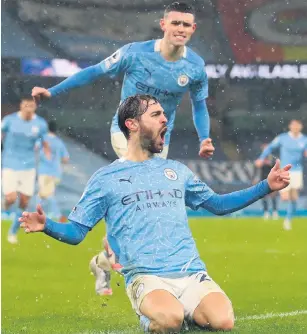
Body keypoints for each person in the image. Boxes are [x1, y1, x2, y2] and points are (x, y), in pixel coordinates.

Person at [19, 94, 291, 333]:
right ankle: (154, 318)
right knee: (169, 319)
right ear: (132, 124)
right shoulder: (105, 178)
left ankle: (180, 311)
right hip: (145, 275)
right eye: (157, 114)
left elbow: (218, 205)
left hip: (191, 272)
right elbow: (76, 232)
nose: (165, 120)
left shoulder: (177, 171)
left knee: (223, 322)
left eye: (165, 115)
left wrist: (266, 186)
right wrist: (48, 225)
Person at [31, 1, 215, 295]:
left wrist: (204, 137)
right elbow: (93, 72)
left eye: (186, 25)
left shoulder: (194, 67)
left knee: (144, 198)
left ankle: (104, 260)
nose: (180, 29)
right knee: (136, 182)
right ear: (163, 25)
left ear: (193, 29)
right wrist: (53, 91)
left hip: (159, 141)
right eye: (175, 23)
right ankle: (114, 251)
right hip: (126, 133)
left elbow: (199, 106)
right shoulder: (134, 53)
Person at [1, 97, 48, 244]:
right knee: (10, 197)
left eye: (31, 106)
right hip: (10, 163)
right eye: (26, 105)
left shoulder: (40, 124)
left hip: (28, 166)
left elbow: (44, 142)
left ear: (35, 107)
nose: (28, 108)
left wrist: (45, 153)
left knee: (24, 202)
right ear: (21, 106)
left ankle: (13, 231)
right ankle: (5, 205)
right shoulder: (9, 120)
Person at [256, 119, 307, 230]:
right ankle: (282, 195)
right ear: (290, 126)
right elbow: (269, 147)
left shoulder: (304, 140)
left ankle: (288, 220)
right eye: (293, 125)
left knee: (294, 198)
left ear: (301, 127)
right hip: (284, 170)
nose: (295, 127)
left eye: (297, 125)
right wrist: (261, 158)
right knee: (285, 197)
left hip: (297, 171)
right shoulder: (283, 138)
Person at [37, 120, 70, 221]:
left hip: (44, 171)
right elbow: (66, 158)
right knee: (44, 195)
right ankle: (39, 214)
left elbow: (35, 149)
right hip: (56, 172)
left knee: (45, 195)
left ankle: (57, 215)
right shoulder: (59, 142)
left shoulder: (42, 140)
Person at [254, 144, 279, 220]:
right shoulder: (260, 158)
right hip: (263, 179)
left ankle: (275, 212)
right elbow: (256, 168)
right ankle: (266, 212)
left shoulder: (273, 158)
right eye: (264, 148)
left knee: (273, 196)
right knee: (264, 196)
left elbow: (277, 168)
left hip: (272, 179)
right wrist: (255, 178)